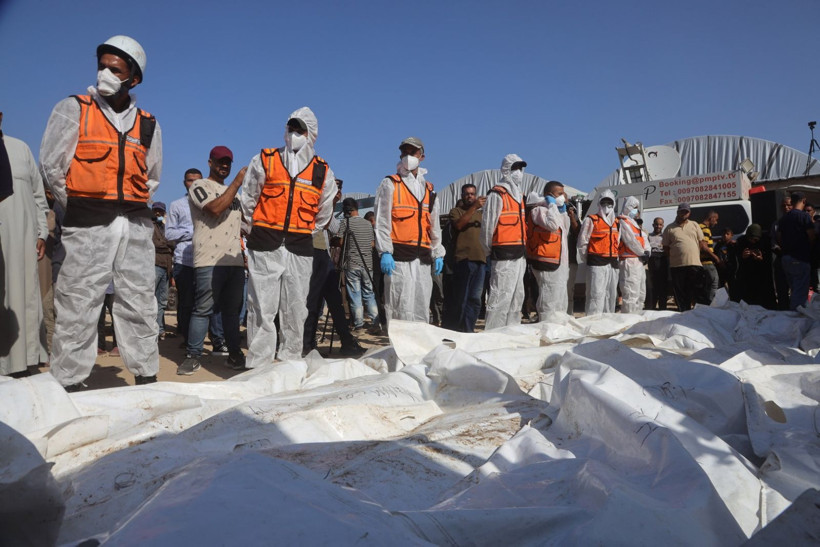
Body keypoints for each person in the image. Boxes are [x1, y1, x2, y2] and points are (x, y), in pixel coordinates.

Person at [39, 36, 161, 389]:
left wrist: (129, 207)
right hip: (88, 224)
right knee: (78, 302)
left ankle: (146, 375)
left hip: (135, 226)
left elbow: (152, 176)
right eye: (102, 66)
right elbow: (52, 166)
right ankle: (69, 381)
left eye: (115, 69)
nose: (105, 73)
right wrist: (79, 204)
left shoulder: (148, 124)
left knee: (139, 301)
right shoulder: (74, 109)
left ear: (133, 79)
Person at [240, 107, 337, 365]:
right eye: (291, 128)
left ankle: (289, 363)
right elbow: (248, 199)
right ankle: (258, 366)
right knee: (262, 306)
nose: (294, 134)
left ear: (311, 134)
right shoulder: (265, 159)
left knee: (295, 308)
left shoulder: (322, 170)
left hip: (299, 246)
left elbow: (324, 212)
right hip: (265, 242)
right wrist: (257, 228)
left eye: (300, 130)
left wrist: (302, 231)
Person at [179, 146, 246, 374]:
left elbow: (245, 225)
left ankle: (234, 354)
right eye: (220, 161)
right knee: (203, 309)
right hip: (209, 258)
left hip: (234, 261)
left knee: (232, 312)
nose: (224, 166)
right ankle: (193, 355)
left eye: (228, 162)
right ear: (210, 163)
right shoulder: (200, 186)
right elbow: (215, 209)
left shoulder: (235, 194)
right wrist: (237, 183)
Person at [374, 137, 444, 325]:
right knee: (400, 307)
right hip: (399, 258)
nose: (407, 156)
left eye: (412, 152)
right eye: (404, 152)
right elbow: (382, 221)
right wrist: (385, 251)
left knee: (421, 307)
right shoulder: (391, 184)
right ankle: (398, 344)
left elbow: (434, 226)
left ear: (422, 156)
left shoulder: (429, 190)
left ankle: (418, 344)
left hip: (423, 259)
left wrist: (438, 252)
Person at [0, 115, 49, 377]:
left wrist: (42, 232)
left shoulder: (20, 148)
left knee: (22, 293)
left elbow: (39, 195)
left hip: (21, 236)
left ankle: (23, 362)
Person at [302, 187, 364, 357]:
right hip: (310, 252)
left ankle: (346, 342)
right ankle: (307, 345)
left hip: (323, 253)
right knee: (313, 302)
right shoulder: (307, 203)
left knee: (335, 301)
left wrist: (332, 203)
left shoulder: (325, 206)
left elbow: (335, 227)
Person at [481, 154, 528, 328]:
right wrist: (488, 251)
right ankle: (494, 333)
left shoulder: (519, 195)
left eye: (520, 168)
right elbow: (488, 226)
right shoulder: (497, 193)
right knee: (500, 295)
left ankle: (512, 331)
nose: (519, 172)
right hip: (503, 255)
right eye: (515, 168)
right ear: (507, 170)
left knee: (517, 296)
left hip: (519, 254)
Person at [165, 168, 202, 346]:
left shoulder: (210, 204)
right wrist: (192, 232)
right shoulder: (177, 205)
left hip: (205, 259)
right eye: (189, 180)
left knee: (203, 303)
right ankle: (189, 341)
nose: (193, 184)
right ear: (184, 183)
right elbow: (169, 234)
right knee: (186, 303)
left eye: (197, 180)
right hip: (184, 260)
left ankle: (204, 339)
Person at [525, 181, 571, 318]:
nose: (563, 196)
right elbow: (552, 225)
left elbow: (565, 229)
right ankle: (546, 325)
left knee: (560, 297)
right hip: (547, 262)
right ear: (549, 195)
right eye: (559, 194)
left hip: (560, 261)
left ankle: (558, 325)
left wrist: (563, 211)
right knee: (549, 299)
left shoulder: (555, 211)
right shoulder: (538, 210)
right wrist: (552, 205)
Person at [336, 197, 379, 331]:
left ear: (346, 210)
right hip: (367, 264)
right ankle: (375, 323)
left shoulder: (345, 222)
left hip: (352, 264)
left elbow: (341, 242)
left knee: (355, 295)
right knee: (369, 294)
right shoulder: (367, 224)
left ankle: (359, 324)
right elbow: (372, 244)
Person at [447, 184, 486, 332]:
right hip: (464, 259)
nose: (470, 196)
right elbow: (459, 225)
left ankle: (468, 330)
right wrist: (474, 207)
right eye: (467, 194)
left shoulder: (481, 215)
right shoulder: (456, 211)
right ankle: (457, 330)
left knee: (475, 299)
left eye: (472, 194)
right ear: (462, 195)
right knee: (461, 298)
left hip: (481, 260)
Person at [662, 202, 711, 311]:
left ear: (689, 213)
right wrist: (676, 256)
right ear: (677, 212)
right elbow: (665, 248)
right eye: (682, 211)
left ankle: (702, 315)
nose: (684, 213)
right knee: (681, 295)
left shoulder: (695, 225)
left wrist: (695, 253)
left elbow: (702, 243)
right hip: (677, 266)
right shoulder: (669, 228)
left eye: (686, 211)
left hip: (695, 264)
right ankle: (684, 316)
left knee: (698, 292)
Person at [577, 189, 620, 315]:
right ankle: (594, 320)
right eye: (603, 202)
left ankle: (608, 319)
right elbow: (582, 242)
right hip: (596, 263)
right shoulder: (591, 219)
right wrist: (589, 259)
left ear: (614, 204)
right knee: (595, 294)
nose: (606, 206)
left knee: (611, 294)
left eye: (609, 203)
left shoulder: (617, 223)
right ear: (599, 204)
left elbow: (618, 242)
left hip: (613, 263)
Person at [777, 192, 816, 310]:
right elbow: (812, 236)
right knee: (800, 293)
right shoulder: (804, 216)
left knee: (794, 289)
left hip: (786, 259)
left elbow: (779, 238)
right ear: (803, 201)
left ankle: (793, 313)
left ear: (792, 202)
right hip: (800, 258)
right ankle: (796, 316)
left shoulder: (783, 219)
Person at [616, 196, 650, 314]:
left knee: (640, 292)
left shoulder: (633, 223)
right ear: (628, 207)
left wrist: (647, 252)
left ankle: (638, 316)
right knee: (630, 293)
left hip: (638, 261)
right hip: (629, 260)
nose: (636, 210)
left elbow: (643, 238)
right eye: (634, 207)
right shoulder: (623, 221)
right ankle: (629, 318)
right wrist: (642, 253)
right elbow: (630, 240)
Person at [732, 224, 775, 308]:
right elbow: (736, 257)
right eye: (750, 239)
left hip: (762, 275)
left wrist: (761, 258)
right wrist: (742, 256)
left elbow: (769, 258)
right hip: (747, 275)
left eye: (755, 240)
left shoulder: (765, 241)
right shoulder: (741, 241)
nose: (753, 242)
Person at [151, 201, 174, 340]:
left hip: (166, 267)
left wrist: (169, 244)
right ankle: (152, 328)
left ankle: (160, 329)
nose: (158, 213)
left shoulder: (166, 227)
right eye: (155, 211)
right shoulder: (150, 226)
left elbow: (174, 242)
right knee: (151, 298)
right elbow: (155, 244)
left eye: (160, 211)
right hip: (155, 264)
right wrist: (169, 245)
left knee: (162, 301)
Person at [771, 195, 792, 310]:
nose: (786, 207)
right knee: (781, 288)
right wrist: (778, 249)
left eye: (789, 205)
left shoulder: (799, 221)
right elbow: (773, 242)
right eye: (784, 206)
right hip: (781, 259)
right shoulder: (776, 224)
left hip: (795, 259)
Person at [698, 210, 722, 303]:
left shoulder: (699, 227)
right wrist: (715, 257)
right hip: (707, 262)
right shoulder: (705, 229)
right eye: (716, 219)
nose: (716, 222)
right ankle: (711, 304)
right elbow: (704, 247)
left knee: (706, 285)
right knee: (714, 283)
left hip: (700, 262)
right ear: (711, 218)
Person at [645, 217, 668, 310]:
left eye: (660, 224)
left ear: (663, 226)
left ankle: (662, 308)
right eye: (656, 224)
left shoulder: (665, 236)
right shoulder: (648, 236)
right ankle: (651, 308)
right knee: (651, 286)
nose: (658, 226)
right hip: (652, 261)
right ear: (653, 225)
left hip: (663, 260)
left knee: (662, 286)